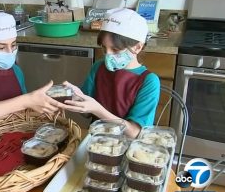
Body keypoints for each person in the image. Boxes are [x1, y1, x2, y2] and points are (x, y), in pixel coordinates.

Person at [63, 8, 160, 138]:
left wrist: (97, 109)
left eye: (115, 49)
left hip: (128, 146)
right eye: (104, 48)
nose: (108, 55)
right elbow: (86, 113)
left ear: (137, 47)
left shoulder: (148, 81)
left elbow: (135, 133)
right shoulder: (98, 68)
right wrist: (77, 98)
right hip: (97, 140)